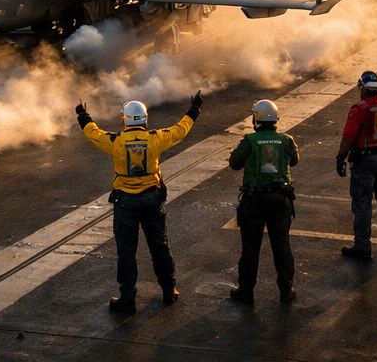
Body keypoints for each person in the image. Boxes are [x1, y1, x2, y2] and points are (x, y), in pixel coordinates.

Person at [77, 91, 203, 314]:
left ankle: (127, 299)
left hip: (125, 203)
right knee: (160, 246)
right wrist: (194, 109)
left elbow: (93, 133)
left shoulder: (116, 141)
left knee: (126, 252)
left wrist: (82, 114)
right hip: (152, 201)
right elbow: (180, 130)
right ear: (145, 119)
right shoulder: (155, 137)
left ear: (125, 120)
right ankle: (168, 290)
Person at [227, 99, 299, 304]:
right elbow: (294, 161)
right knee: (282, 245)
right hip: (280, 199)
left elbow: (234, 164)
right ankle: (286, 289)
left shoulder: (249, 141)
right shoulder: (287, 140)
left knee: (251, 247)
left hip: (255, 200)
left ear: (256, 119)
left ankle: (246, 291)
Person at [334, 70, 377, 259]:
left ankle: (363, 245)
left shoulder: (359, 109)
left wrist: (340, 158)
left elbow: (348, 138)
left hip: (365, 161)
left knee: (362, 201)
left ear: (363, 88)